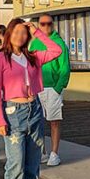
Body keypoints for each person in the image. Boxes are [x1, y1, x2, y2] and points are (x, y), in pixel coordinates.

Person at [0, 18, 63, 179]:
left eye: (24, 32)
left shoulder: (32, 58)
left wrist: (37, 32)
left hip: (35, 109)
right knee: (16, 163)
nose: (20, 36)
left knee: (32, 163)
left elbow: (56, 51)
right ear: (8, 34)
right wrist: (0, 120)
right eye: (16, 32)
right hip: (14, 111)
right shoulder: (0, 59)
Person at [28, 14, 70, 166]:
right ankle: (42, 151)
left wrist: (59, 87)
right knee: (37, 122)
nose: (46, 26)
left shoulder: (59, 43)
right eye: (42, 24)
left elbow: (65, 67)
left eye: (49, 23)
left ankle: (54, 153)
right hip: (37, 88)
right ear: (38, 25)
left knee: (54, 121)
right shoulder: (34, 44)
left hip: (53, 87)